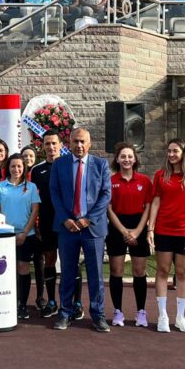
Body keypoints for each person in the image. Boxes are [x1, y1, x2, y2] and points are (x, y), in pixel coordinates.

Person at [50, 128, 112, 332]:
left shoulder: (101, 165)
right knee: (67, 272)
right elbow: (54, 193)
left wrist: (88, 219)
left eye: (82, 141)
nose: (79, 145)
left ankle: (98, 315)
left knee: (95, 274)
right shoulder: (59, 164)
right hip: (67, 228)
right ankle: (65, 313)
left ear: (89, 143)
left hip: (92, 228)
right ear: (69, 143)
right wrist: (65, 219)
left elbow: (105, 194)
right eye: (75, 141)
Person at [146, 138, 185, 333]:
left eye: (175, 151)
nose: (171, 154)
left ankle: (180, 317)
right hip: (164, 229)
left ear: (184, 153)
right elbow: (155, 202)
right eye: (169, 151)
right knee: (162, 270)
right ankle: (163, 315)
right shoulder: (160, 174)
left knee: (182, 272)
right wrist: (150, 228)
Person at [106, 143, 153, 328]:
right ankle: (118, 311)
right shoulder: (110, 181)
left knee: (139, 272)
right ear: (117, 159)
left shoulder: (144, 180)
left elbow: (148, 207)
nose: (126, 159)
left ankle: (141, 311)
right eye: (123, 156)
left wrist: (138, 231)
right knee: (116, 271)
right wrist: (124, 231)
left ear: (135, 159)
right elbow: (108, 208)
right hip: (117, 227)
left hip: (138, 226)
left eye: (130, 156)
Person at [0, 153, 41, 319]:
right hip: (5, 236)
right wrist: (7, 233)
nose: (16, 169)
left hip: (26, 235)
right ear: (8, 168)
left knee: (23, 268)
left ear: (24, 167)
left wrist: (24, 233)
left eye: (19, 166)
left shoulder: (31, 187)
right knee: (5, 270)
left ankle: (22, 305)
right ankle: (7, 303)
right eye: (13, 166)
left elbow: (35, 211)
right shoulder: (0, 187)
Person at [31, 129, 63, 317]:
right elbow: (34, 200)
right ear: (42, 147)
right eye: (47, 144)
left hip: (67, 223)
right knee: (49, 260)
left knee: (70, 261)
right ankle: (51, 301)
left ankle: (74, 303)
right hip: (47, 222)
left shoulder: (69, 165)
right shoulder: (37, 170)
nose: (51, 147)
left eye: (54, 143)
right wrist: (36, 223)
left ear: (60, 145)